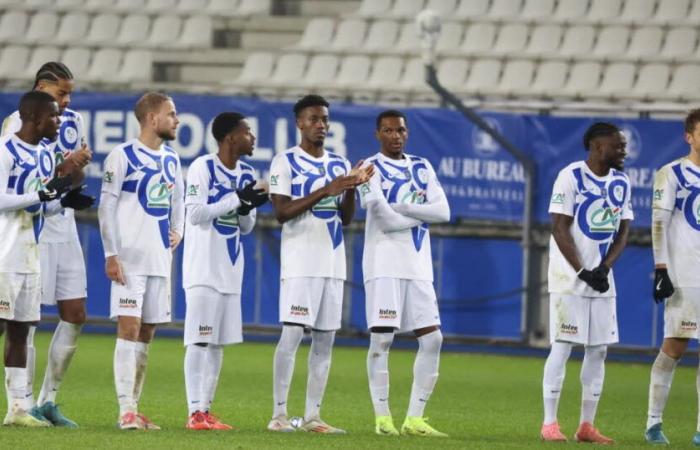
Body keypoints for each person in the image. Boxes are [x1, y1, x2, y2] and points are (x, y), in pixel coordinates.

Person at [267, 94, 372, 434]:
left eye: (324, 120)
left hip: (332, 264)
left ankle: (313, 416)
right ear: (299, 123)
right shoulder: (285, 162)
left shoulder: (339, 163)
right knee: (292, 335)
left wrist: (352, 187)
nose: (321, 125)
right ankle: (279, 416)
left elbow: (347, 220)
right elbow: (281, 213)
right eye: (313, 119)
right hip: (300, 263)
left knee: (325, 341)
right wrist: (328, 189)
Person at [1, 61, 92, 428]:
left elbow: (51, 189)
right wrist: (51, 182)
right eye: (59, 98)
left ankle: (31, 406)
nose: (65, 109)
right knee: (11, 323)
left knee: (34, 321)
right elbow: (15, 192)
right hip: (10, 243)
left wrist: (63, 197)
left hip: (43, 234)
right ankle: (20, 403)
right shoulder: (10, 137)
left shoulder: (54, 139)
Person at [358, 110, 450, 437]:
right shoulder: (367, 168)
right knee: (383, 339)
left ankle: (414, 419)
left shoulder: (421, 167)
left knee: (433, 338)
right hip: (383, 264)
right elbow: (382, 217)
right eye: (388, 130)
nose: (395, 135)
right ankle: (383, 419)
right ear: (377, 134)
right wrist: (422, 215)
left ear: (407, 133)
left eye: (400, 130)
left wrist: (407, 209)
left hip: (418, 266)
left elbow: (444, 211)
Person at [541, 122, 632, 444]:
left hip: (602, 280)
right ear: (597, 147)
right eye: (617, 146)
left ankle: (586, 426)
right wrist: (582, 271)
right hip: (569, 279)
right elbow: (560, 228)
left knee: (599, 351)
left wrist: (604, 268)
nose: (623, 151)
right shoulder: (571, 176)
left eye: (623, 146)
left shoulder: (622, 181)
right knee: (563, 346)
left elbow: (623, 231)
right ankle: (550, 423)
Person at [98, 92, 184, 430]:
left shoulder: (172, 160)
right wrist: (111, 254)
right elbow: (106, 207)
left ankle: (135, 406)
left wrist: (179, 231)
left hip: (160, 260)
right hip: (129, 259)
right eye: (172, 114)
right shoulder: (122, 156)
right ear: (151, 118)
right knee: (129, 327)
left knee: (147, 332)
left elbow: (179, 202)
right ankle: (125, 412)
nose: (177, 120)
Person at [182, 112, 268, 430]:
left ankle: (206, 410)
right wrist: (236, 198)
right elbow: (195, 214)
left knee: (217, 344)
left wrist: (246, 208)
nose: (252, 138)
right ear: (231, 137)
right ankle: (194, 413)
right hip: (203, 268)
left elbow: (245, 227)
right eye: (248, 131)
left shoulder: (246, 171)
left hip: (231, 269)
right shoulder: (202, 167)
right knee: (199, 340)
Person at [645, 109, 700, 446]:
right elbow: (658, 223)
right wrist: (661, 269)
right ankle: (653, 424)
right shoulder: (672, 173)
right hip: (685, 276)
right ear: (689, 136)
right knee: (673, 348)